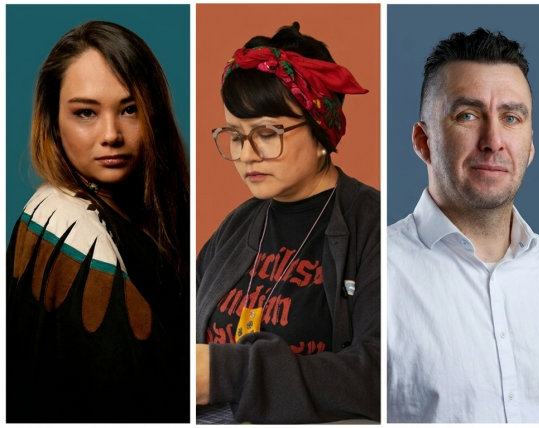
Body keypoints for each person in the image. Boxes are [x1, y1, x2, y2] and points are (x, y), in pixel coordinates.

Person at [195, 22, 380, 423]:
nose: (246, 154)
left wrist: (229, 372)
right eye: (235, 135)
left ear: (320, 132)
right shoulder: (235, 227)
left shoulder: (372, 227)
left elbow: (379, 374)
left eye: (267, 133)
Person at [6, 21, 189, 423]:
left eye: (129, 109)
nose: (111, 134)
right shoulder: (60, 221)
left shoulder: (161, 216)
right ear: (53, 121)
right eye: (86, 113)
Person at [387, 28, 539, 423]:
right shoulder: (377, 273)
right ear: (423, 141)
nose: (493, 140)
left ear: (530, 146)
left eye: (511, 118)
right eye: (467, 116)